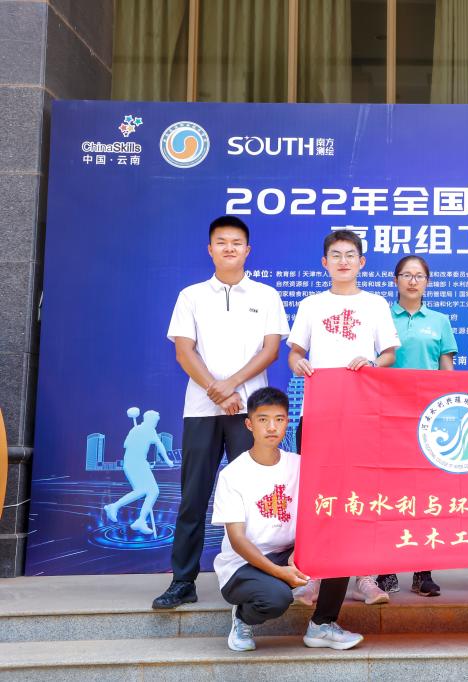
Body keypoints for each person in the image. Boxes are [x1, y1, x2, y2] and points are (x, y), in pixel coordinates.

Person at [154, 215, 289, 610]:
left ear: (247, 250)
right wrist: (216, 391)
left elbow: (270, 350)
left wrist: (231, 385)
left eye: (236, 242)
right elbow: (184, 351)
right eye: (221, 242)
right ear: (210, 249)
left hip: (250, 412)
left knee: (254, 495)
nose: (229, 248)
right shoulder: (191, 295)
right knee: (193, 498)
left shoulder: (266, 295)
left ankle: (259, 574)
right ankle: (183, 581)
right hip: (202, 411)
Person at [288, 229, 400, 605]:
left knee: (365, 492)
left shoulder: (375, 304)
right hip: (319, 414)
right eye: (336, 255)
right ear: (325, 262)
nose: (343, 261)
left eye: (350, 255)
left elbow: (389, 354)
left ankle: (365, 577)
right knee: (318, 494)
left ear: (361, 262)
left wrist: (372, 362)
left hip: (363, 414)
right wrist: (298, 363)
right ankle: (316, 575)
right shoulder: (311, 304)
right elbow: (295, 352)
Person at [212, 387, 362, 652]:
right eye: (263, 419)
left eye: (279, 419)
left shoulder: (300, 465)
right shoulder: (233, 475)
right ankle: (243, 617)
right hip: (242, 566)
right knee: (276, 599)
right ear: (249, 424)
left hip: (288, 554)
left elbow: (319, 514)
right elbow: (237, 540)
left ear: (287, 423)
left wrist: (302, 549)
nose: (272, 427)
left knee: (340, 544)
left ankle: (322, 625)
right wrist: (280, 573)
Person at [376, 255, 458, 597]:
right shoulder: (380, 315)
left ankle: (423, 571)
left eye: (419, 276)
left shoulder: (439, 321)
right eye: (406, 275)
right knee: (387, 492)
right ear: (395, 280)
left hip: (427, 419)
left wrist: (449, 413)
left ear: (427, 281)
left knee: (425, 494)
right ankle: (385, 568)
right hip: (386, 415)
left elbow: (447, 370)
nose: (412, 281)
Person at [104, 409, 174, 534]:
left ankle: (135, 518)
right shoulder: (148, 430)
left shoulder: (136, 430)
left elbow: (126, 444)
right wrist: (168, 460)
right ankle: (121, 510)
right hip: (136, 463)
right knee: (150, 491)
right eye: (155, 421)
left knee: (147, 491)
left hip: (135, 463)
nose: (156, 423)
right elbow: (159, 445)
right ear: (150, 420)